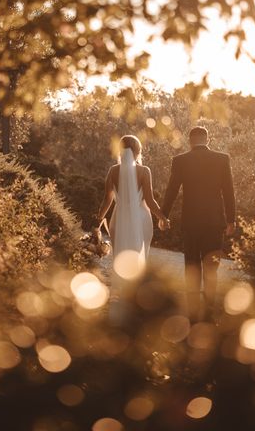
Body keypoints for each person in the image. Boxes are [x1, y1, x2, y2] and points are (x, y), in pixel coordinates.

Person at [162, 126, 236, 322]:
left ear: (190, 141)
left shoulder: (180, 161)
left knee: (192, 265)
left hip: (191, 222)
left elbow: (171, 190)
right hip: (214, 222)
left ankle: (193, 311)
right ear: (207, 139)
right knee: (212, 266)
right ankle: (210, 311)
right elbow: (229, 191)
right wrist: (231, 220)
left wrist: (163, 216)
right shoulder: (222, 159)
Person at [96, 135, 168, 318]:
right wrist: (163, 218)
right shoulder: (144, 171)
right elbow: (150, 201)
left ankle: (120, 297)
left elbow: (107, 200)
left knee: (120, 255)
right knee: (140, 254)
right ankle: (137, 296)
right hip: (141, 218)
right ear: (138, 151)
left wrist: (98, 219)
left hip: (118, 219)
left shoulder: (113, 171)